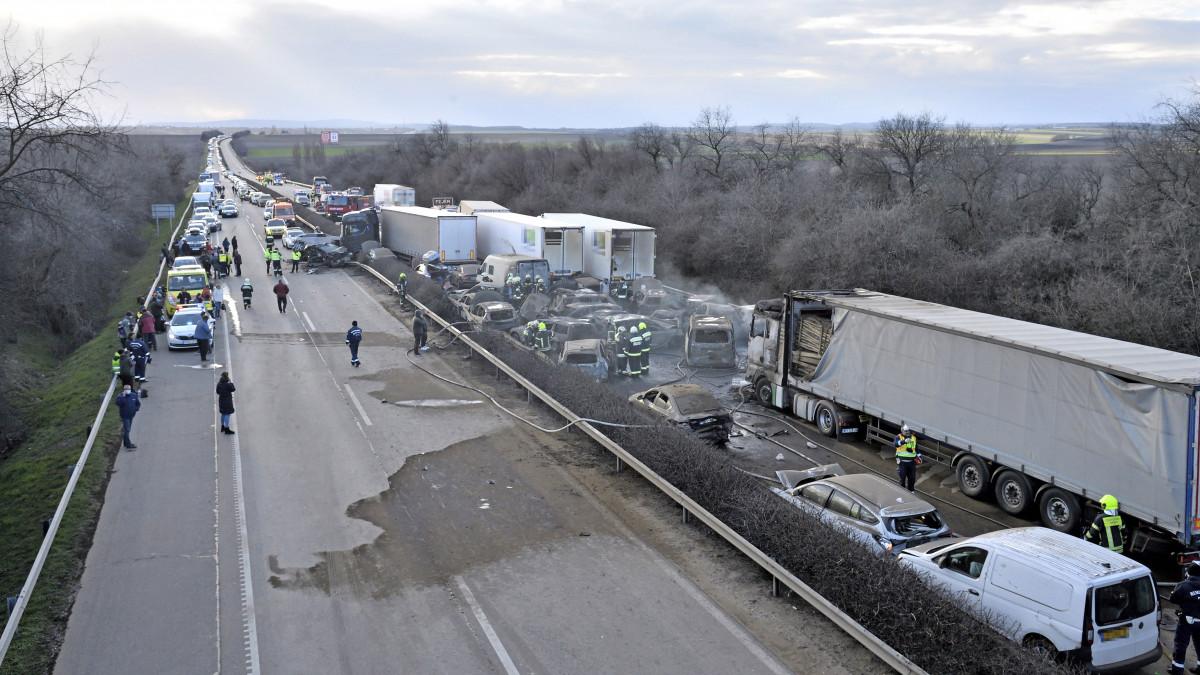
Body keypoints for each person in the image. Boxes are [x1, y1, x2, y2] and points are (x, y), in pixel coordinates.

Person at [1170, 563, 1200, 674]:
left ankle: (1177, 669)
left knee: (1181, 645)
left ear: (1188, 573)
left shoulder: (1183, 585)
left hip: (1187, 621)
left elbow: (1173, 599)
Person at [894, 424, 920, 493]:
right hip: (902, 462)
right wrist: (904, 441)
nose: (907, 432)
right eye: (905, 431)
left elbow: (916, 448)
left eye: (908, 431)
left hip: (911, 462)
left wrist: (919, 457)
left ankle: (911, 491)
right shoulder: (898, 437)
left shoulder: (913, 438)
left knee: (912, 478)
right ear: (902, 431)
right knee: (902, 478)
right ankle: (901, 492)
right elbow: (896, 444)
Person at [115, 384, 141, 449]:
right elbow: (118, 403)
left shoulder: (133, 395)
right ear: (124, 390)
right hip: (125, 416)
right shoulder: (120, 396)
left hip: (131, 415)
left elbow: (138, 403)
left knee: (128, 429)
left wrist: (136, 409)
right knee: (127, 429)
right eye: (126, 389)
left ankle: (126, 443)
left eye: (129, 389)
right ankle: (128, 444)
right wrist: (123, 397)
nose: (128, 390)